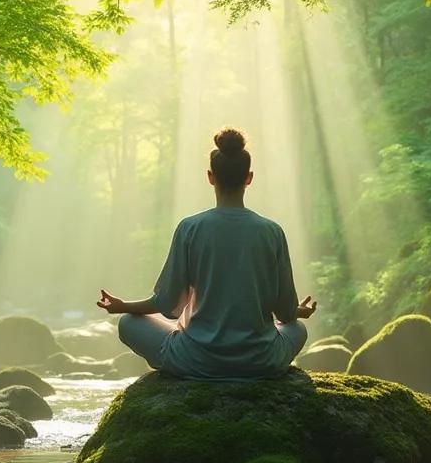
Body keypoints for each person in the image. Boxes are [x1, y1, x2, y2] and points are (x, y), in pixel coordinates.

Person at [96, 127, 316, 380]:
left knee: (128, 323)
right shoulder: (272, 232)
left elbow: (168, 306)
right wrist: (297, 312)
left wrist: (123, 306)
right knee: (297, 329)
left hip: (197, 361)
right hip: (260, 361)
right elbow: (286, 314)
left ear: (211, 177)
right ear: (249, 178)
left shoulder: (190, 228)